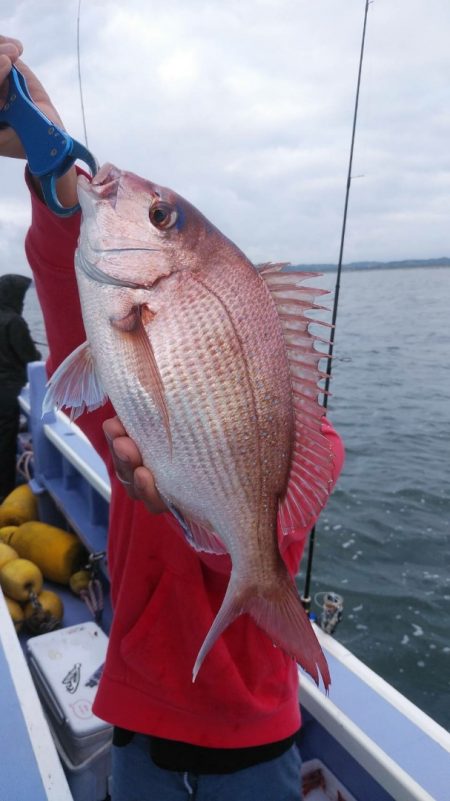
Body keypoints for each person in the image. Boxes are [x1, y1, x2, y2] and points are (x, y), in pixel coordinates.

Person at [0, 36, 345, 801]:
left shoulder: (312, 444)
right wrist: (51, 172)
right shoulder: (126, 391)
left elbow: (253, 550)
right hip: (138, 724)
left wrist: (217, 528)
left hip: (258, 740)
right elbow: (73, 308)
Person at [0, 272, 41, 501]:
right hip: (8, 392)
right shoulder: (14, 322)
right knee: (5, 443)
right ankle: (4, 492)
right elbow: (30, 357)